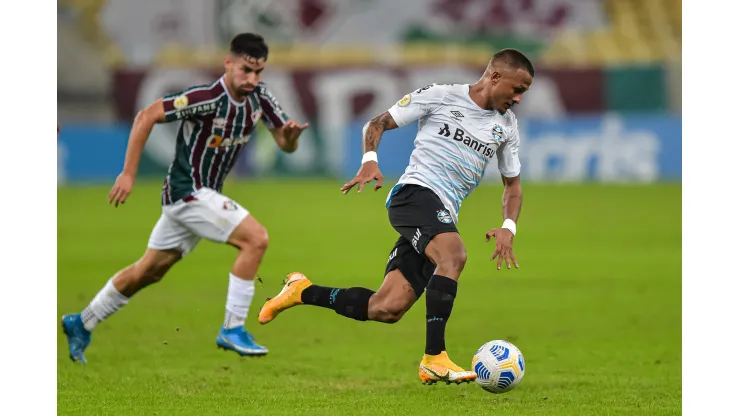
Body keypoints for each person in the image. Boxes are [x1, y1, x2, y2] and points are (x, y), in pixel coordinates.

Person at [258, 48, 534, 384]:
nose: (519, 99)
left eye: (525, 92)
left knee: (386, 308)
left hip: (441, 212)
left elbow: (513, 186)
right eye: (517, 89)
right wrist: (369, 159)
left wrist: (509, 227)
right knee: (454, 255)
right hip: (413, 195)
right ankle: (435, 358)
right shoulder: (441, 96)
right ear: (494, 77)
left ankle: (301, 291)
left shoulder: (506, 127)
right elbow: (378, 122)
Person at [61, 33, 309, 363]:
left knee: (147, 272)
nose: (252, 79)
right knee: (256, 239)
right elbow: (146, 115)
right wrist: (128, 174)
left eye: (258, 72)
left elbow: (284, 143)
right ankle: (232, 328)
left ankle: (82, 322)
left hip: (201, 198)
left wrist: (290, 139)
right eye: (246, 70)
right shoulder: (205, 97)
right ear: (229, 63)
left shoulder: (260, 98)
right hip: (187, 193)